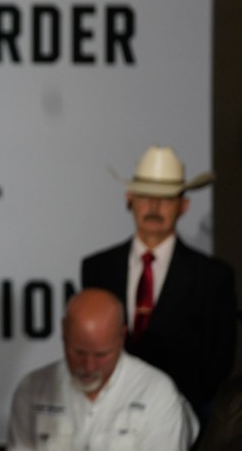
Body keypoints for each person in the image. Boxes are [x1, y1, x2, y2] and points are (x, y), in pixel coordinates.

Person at [80, 145, 236, 421]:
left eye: (166, 198)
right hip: (107, 418)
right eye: (145, 196)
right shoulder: (98, 269)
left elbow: (217, 363)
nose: (154, 206)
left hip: (184, 417)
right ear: (129, 198)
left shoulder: (213, 278)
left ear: (184, 206)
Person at [7, 288, 198, 450]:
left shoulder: (156, 393)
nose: (89, 366)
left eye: (101, 355)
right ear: (63, 332)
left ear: (122, 336)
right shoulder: (32, 390)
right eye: (79, 353)